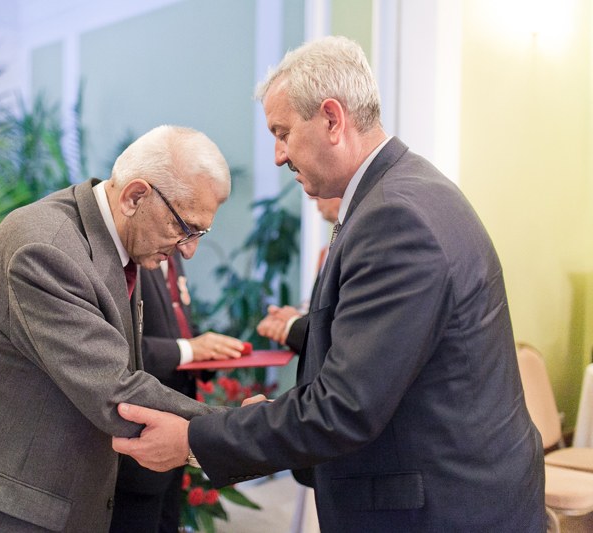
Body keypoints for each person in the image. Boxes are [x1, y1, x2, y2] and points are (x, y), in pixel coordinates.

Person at [112, 36, 545, 532]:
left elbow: (345, 406)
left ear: (333, 120)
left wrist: (194, 439)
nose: (278, 156)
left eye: (282, 133)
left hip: (442, 510)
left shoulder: (396, 219)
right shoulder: (403, 193)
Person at [0, 125, 233, 532]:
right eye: (184, 227)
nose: (189, 249)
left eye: (200, 233)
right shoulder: (46, 250)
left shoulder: (121, 240)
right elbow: (114, 388)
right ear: (135, 197)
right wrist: (237, 430)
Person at [109, 252, 244, 533]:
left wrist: (209, 354)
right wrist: (189, 349)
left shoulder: (173, 254)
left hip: (177, 428)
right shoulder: (131, 255)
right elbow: (121, 348)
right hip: (141, 428)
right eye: (190, 232)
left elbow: (179, 324)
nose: (190, 250)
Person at [256, 196, 340, 354]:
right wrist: (297, 320)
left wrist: (292, 325)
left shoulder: (357, 248)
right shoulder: (325, 252)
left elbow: (345, 331)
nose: (312, 196)